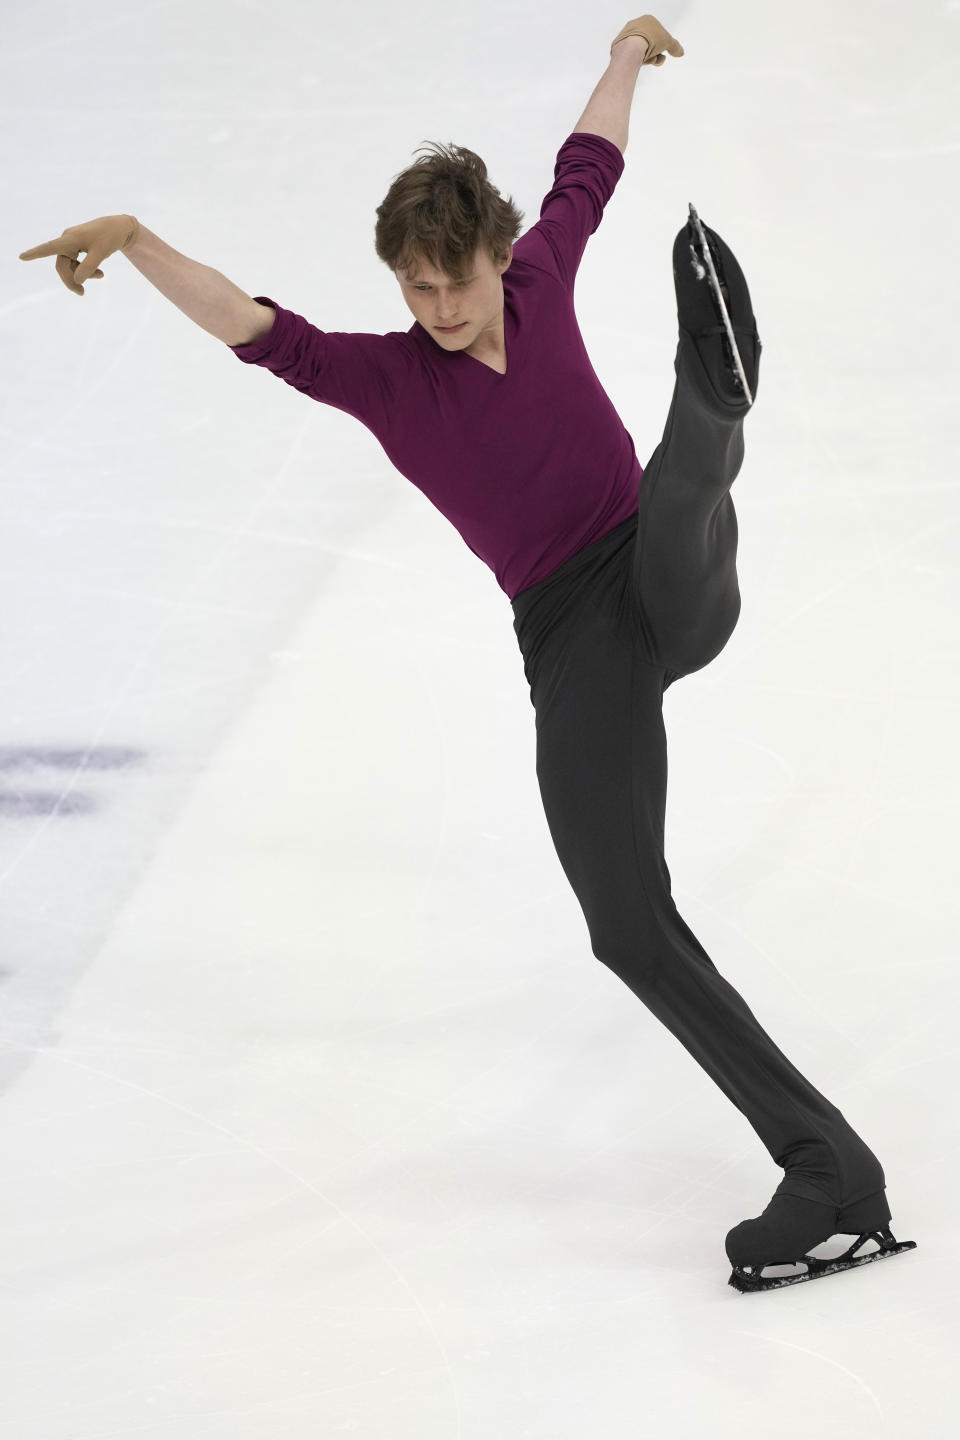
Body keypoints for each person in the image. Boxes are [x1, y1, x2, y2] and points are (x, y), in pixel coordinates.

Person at [19, 16, 913, 1291]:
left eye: (457, 278)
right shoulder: (388, 381)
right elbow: (257, 327)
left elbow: (585, 168)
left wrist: (622, 55)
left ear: (497, 255)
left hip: (662, 568)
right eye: (417, 288)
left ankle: (711, 403)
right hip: (572, 639)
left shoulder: (541, 275)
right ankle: (832, 1169)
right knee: (625, 927)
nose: (438, 306)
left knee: (674, 508)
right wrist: (140, 238)